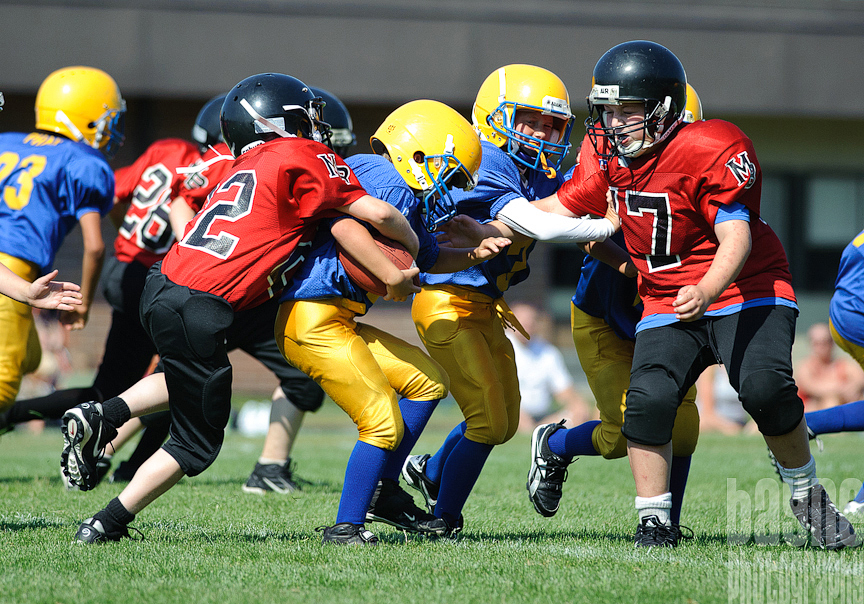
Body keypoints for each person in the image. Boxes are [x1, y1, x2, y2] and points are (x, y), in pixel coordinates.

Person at [62, 72, 420, 544]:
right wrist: (407, 255)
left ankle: (103, 416)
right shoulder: (307, 155)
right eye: (302, 117)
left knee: (185, 377)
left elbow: (179, 193)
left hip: (163, 281)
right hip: (207, 303)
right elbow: (376, 214)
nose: (314, 126)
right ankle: (106, 521)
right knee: (195, 443)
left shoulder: (233, 160)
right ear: (274, 123)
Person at [531, 40, 858, 549]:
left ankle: (806, 495)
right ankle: (654, 519)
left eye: (627, 111)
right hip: (667, 297)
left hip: (747, 286)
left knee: (765, 388)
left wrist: (706, 288)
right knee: (648, 400)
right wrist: (489, 226)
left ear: (663, 109)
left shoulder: (711, 147)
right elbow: (555, 211)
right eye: (608, 111)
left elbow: (738, 236)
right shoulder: (608, 160)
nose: (613, 124)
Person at [277, 99, 513, 544]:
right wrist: (390, 275)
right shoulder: (391, 181)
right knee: (381, 418)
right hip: (313, 318)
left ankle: (383, 489)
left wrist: (472, 253)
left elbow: (423, 255)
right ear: (418, 154)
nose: (452, 187)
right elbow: (345, 229)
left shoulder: (385, 179)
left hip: (336, 317)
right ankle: (347, 526)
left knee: (428, 381)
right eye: (452, 172)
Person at [403, 65, 618, 538]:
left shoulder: (540, 174)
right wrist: (607, 224)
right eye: (531, 119)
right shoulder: (486, 159)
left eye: (553, 123)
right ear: (494, 116)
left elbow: (566, 219)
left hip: (483, 305)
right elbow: (540, 225)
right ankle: (444, 518)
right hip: (446, 300)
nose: (544, 131)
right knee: (486, 420)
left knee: (501, 423)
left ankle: (431, 472)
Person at [0, 66, 124, 411]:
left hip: (11, 277)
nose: (113, 131)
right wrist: (81, 303)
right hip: (14, 265)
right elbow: (96, 246)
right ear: (83, 118)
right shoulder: (82, 162)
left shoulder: (6, 141)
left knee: (30, 356)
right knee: (4, 385)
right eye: (106, 120)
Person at [506, 301, 592, 433]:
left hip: (544, 417)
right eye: (521, 320)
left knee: (577, 415)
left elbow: (564, 391)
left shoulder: (548, 352)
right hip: (510, 412)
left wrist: (578, 406)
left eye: (531, 320)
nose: (528, 324)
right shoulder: (500, 348)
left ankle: (538, 430)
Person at [795, 322, 864, 411]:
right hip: (814, 413)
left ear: (832, 343)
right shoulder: (806, 367)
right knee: (830, 401)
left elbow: (860, 378)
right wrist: (842, 389)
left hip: (841, 408)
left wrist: (853, 388)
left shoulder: (842, 364)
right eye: (817, 343)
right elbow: (812, 387)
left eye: (825, 342)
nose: (821, 347)